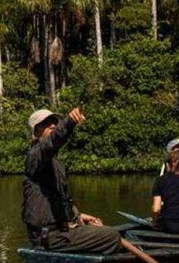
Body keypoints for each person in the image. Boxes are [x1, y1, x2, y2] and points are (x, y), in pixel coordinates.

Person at [22, 108, 121, 254]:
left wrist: (77, 217)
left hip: (59, 231)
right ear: (36, 132)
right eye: (46, 123)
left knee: (103, 229)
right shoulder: (36, 155)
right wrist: (69, 122)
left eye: (55, 122)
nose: (53, 125)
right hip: (48, 236)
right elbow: (52, 142)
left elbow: (58, 199)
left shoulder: (54, 162)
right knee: (112, 237)